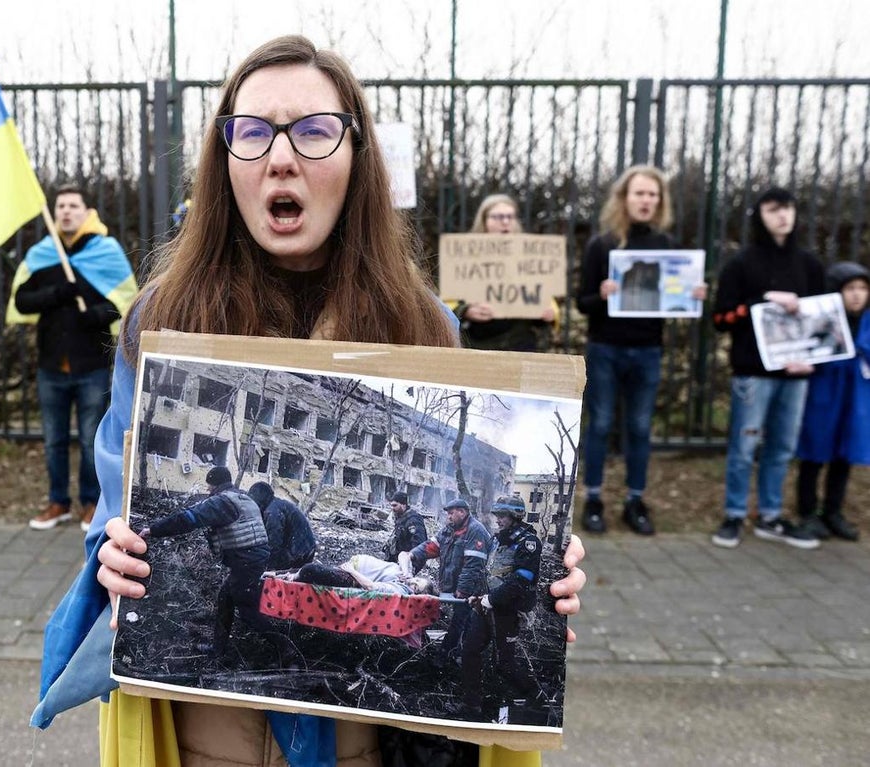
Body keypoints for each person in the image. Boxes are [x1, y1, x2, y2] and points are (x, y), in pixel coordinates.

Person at [37, 36, 587, 767]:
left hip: (364, 745)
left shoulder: (426, 325)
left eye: (315, 130)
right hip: (202, 732)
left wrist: (554, 571)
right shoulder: (161, 319)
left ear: (357, 155)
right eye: (253, 131)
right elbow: (116, 501)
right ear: (224, 159)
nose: (281, 156)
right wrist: (113, 550)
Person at [576, 165, 707, 536]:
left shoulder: (667, 248)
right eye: (640, 193)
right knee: (600, 425)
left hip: (648, 349)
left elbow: (675, 301)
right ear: (624, 198)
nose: (646, 200)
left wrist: (691, 297)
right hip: (605, 347)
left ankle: (635, 500)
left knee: (639, 427)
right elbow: (582, 302)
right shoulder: (602, 245)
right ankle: (595, 499)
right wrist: (600, 295)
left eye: (653, 194)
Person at [10, 184, 137, 533]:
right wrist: (56, 293)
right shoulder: (42, 254)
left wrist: (94, 316)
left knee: (89, 438)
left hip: (90, 365)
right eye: (60, 205)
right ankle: (57, 502)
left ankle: (91, 503)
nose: (66, 211)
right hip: (51, 366)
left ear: (86, 212)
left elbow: (123, 305)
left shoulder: (106, 252)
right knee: (53, 439)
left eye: (73, 205)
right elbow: (22, 301)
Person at [710, 187, 825, 550]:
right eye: (774, 209)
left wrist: (812, 360)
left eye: (788, 208)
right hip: (754, 374)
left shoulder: (809, 265)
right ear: (760, 214)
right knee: (744, 448)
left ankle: (770, 516)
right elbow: (721, 318)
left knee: (781, 447)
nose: (782, 216)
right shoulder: (741, 264)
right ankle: (734, 513)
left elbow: (824, 318)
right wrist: (760, 303)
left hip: (795, 374)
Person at [139, 466, 270, 655]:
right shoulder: (244, 498)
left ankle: (287, 649)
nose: (208, 491)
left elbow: (188, 519)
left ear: (215, 485)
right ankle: (218, 649)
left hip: (246, 562)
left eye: (209, 487)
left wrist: (154, 530)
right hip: (253, 559)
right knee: (225, 599)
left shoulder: (222, 502)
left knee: (248, 612)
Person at [794, 260, 869, 542]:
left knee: (843, 454)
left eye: (863, 288)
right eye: (850, 288)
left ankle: (833, 511)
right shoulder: (822, 319)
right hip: (824, 393)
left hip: (855, 395)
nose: (857, 294)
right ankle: (808, 511)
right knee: (815, 452)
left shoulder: (868, 321)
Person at [464, 494, 542, 724]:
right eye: (497, 515)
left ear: (516, 516)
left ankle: (534, 695)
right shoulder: (498, 539)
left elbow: (522, 579)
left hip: (507, 610)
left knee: (504, 665)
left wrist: (492, 599)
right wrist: (478, 596)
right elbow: (490, 572)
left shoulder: (528, 542)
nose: (497, 519)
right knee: (469, 651)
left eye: (502, 516)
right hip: (487, 605)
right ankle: (471, 706)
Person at [453, 194, 557, 352]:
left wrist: (548, 313)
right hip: (479, 348)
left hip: (521, 347)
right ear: (484, 222)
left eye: (510, 217)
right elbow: (447, 303)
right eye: (497, 217)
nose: (505, 222)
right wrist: (466, 311)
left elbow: (548, 303)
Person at [403, 498, 492, 658]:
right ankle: (451, 652)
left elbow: (473, 565)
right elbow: (431, 547)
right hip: (452, 585)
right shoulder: (449, 529)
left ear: (462, 512)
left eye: (451, 513)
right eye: (448, 514)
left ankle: (449, 655)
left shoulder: (475, 531)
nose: (448, 517)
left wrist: (463, 590)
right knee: (458, 619)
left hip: (471, 588)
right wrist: (412, 554)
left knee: (462, 621)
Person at [289, 553, 436, 597]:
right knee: (302, 569)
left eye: (416, 588)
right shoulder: (406, 575)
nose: (412, 583)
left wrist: (352, 571)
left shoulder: (399, 590)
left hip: (352, 577)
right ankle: (288, 575)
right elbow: (403, 554)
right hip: (352, 568)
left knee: (310, 569)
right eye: (417, 580)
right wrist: (406, 571)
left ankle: (292, 578)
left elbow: (370, 586)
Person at [247, 480, 317, 570]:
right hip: (304, 549)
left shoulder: (272, 512)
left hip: (299, 553)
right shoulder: (276, 505)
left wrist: (268, 568)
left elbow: (274, 544)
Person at [381, 490, 427, 563]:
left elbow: (419, 543)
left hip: (407, 560)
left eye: (395, 505)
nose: (392, 508)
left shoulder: (413, 520)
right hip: (397, 557)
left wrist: (410, 560)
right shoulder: (401, 517)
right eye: (391, 505)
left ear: (403, 504)